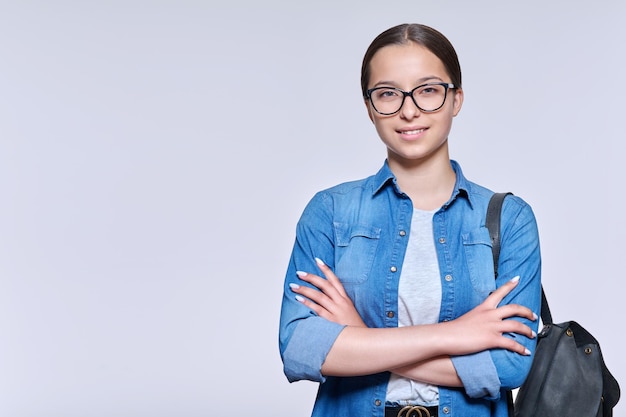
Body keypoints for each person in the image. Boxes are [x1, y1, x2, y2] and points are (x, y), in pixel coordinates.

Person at [278, 23, 541, 417]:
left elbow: (510, 364)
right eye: (387, 93)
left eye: (428, 90)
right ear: (369, 107)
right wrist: (454, 335)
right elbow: (299, 346)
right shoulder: (331, 213)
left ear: (456, 99)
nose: (409, 109)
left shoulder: (511, 219)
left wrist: (360, 340)